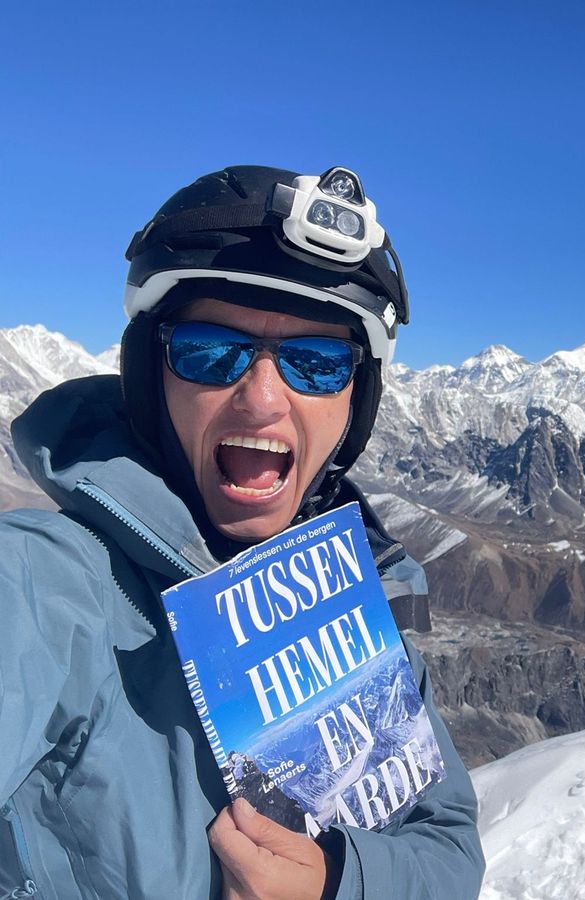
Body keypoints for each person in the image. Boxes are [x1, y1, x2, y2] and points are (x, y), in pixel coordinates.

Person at [0, 166, 485, 898]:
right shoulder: (48, 587)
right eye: (209, 349)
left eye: (316, 364)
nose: (262, 399)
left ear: (357, 404)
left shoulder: (359, 615)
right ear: (149, 377)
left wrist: (335, 883)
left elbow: (447, 851)